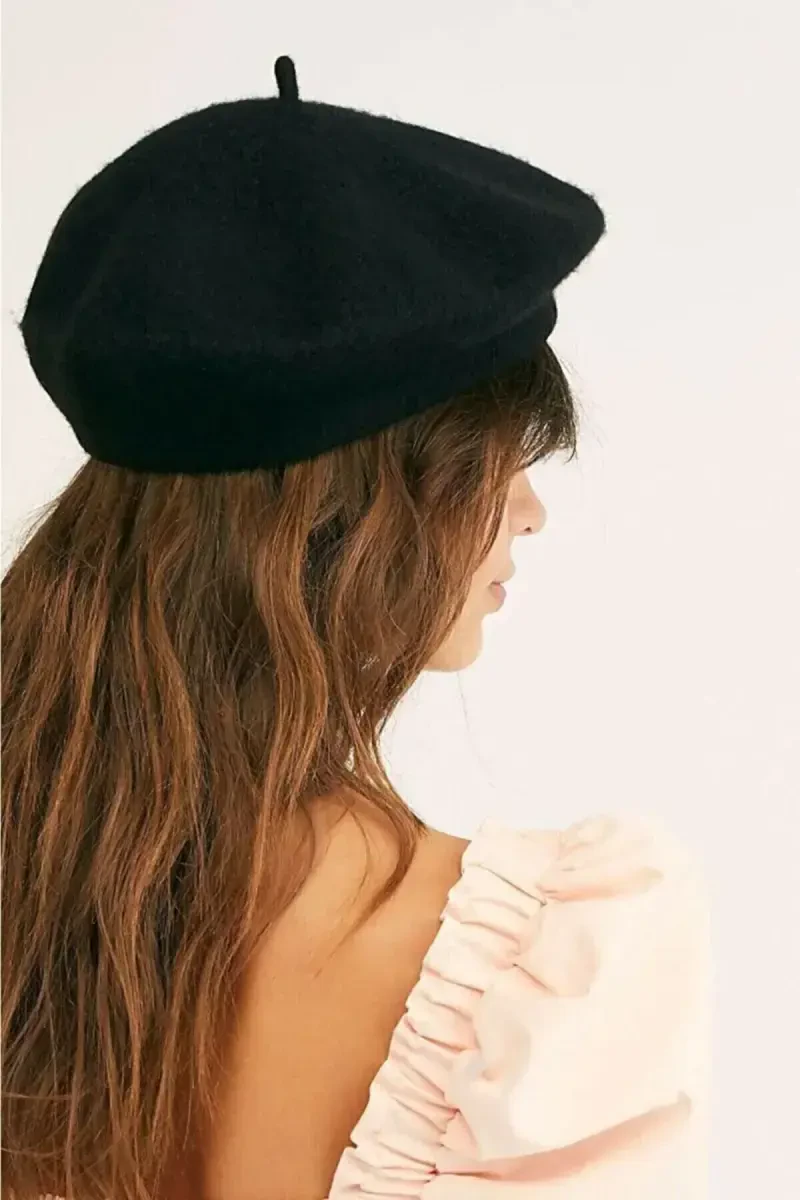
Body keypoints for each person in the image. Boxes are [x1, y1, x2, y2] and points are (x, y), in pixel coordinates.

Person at [1, 55, 709, 1200]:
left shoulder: (35, 879)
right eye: (494, 464)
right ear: (356, 514)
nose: (528, 512)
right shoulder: (536, 980)